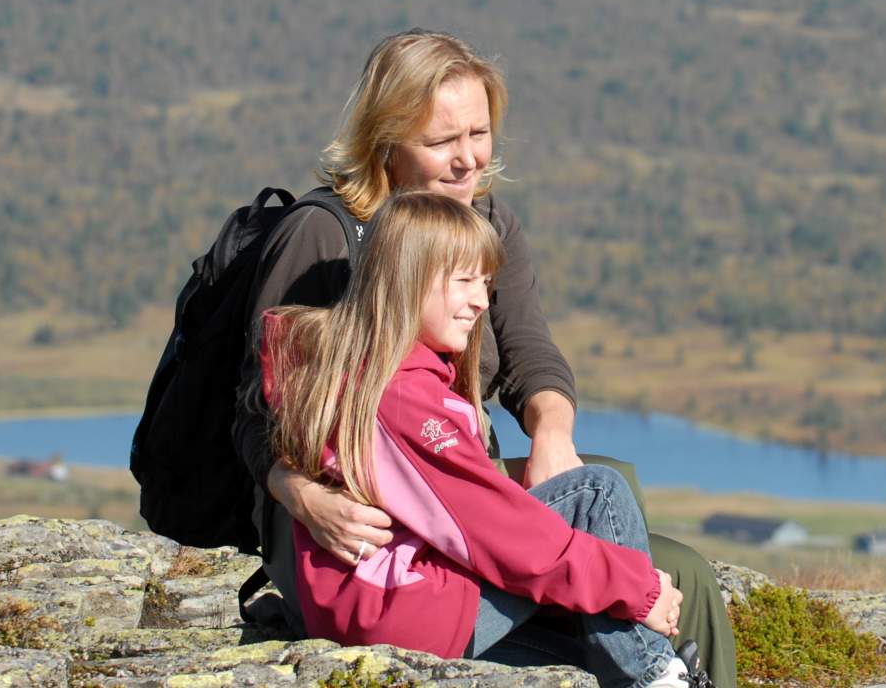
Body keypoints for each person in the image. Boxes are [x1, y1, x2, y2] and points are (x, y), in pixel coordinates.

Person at [233, 29, 736, 686]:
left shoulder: (485, 222)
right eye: (443, 142)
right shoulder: (324, 236)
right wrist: (299, 493)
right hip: (352, 541)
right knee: (654, 566)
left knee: (647, 536)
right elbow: (251, 410)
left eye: (479, 133)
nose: (469, 159)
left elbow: (531, 356)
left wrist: (553, 434)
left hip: (450, 486)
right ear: (384, 142)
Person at [263, 192, 694, 688]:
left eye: (485, 283)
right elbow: (497, 530)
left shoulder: (352, 367)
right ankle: (658, 676)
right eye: (464, 280)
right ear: (407, 280)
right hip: (404, 611)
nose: (480, 301)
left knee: (582, 660)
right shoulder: (403, 395)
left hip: (369, 607)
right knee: (598, 492)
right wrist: (637, 589)